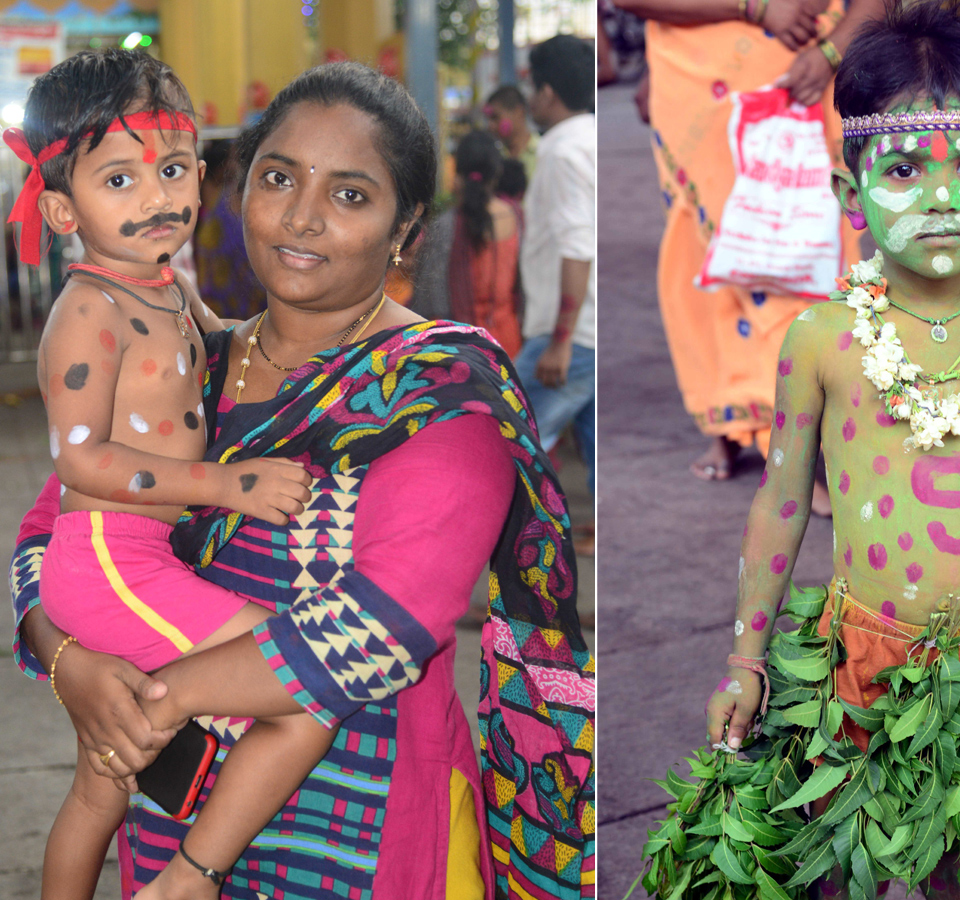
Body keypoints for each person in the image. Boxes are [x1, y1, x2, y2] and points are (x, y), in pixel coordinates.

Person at [10, 61, 595, 900]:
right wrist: (67, 662)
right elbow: (47, 531)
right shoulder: (191, 360)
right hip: (170, 812)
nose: (303, 217)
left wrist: (150, 698)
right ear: (240, 189)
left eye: (351, 195)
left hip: (363, 835)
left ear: (406, 230)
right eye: (279, 178)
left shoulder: (436, 393)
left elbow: (383, 628)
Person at [705, 3, 960, 889]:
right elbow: (780, 504)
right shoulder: (822, 342)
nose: (939, 197)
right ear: (850, 195)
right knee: (837, 870)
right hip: (853, 665)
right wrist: (745, 660)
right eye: (902, 169)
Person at [6, 48, 336, 900]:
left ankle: (162, 745)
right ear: (60, 208)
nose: (158, 198)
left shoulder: (163, 282)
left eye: (173, 168)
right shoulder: (86, 312)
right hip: (110, 561)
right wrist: (231, 487)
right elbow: (80, 461)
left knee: (100, 787)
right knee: (302, 679)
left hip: (140, 562)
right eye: (118, 180)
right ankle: (188, 876)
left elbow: (228, 343)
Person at [613, 0, 884, 486]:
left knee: (803, 241)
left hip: (804, 70)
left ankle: (802, 440)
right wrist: (753, 7)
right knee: (708, 243)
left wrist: (830, 54)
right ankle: (728, 416)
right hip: (696, 78)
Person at [515, 35, 596, 511]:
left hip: (570, 336)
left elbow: (577, 247)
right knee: (593, 452)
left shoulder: (561, 152)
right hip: (586, 331)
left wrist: (561, 339)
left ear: (546, 93)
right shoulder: (586, 140)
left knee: (508, 443)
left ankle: (523, 560)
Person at [410, 130, 523, 358]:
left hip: (461, 352)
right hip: (510, 347)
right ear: (497, 172)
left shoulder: (447, 226)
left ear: (457, 174)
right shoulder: (517, 217)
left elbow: (430, 303)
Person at [194, 138, 268, 320]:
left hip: (240, 295)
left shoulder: (225, 196)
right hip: (222, 292)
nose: (233, 164)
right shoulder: (222, 194)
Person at [485, 84, 539, 185]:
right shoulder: (493, 157)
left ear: (519, 112)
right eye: (488, 119)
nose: (491, 126)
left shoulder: (542, 152)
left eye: (495, 117)